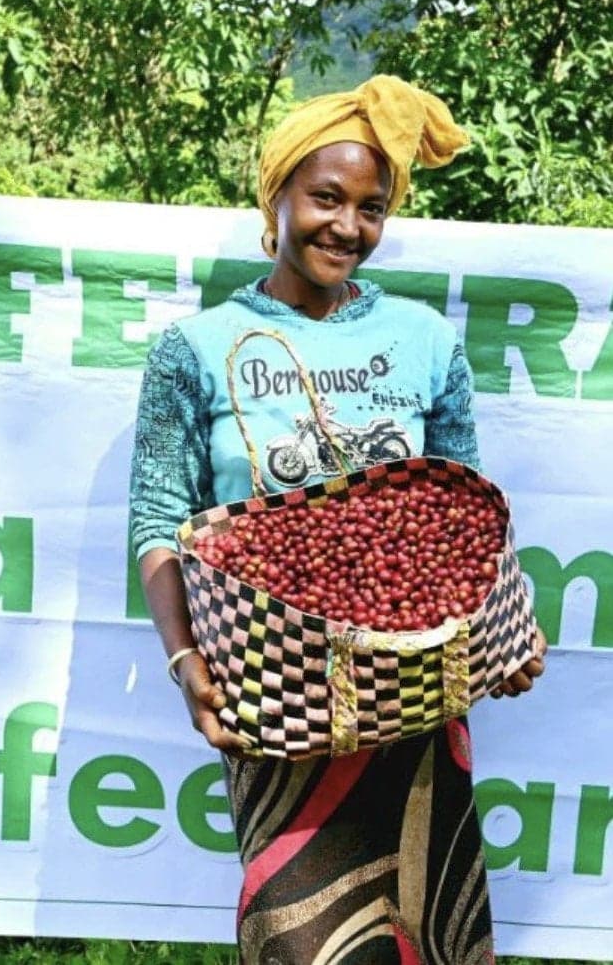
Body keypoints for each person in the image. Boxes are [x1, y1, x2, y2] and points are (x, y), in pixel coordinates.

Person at [129, 74, 547, 964]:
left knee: (426, 925)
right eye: (326, 198)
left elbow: (462, 513)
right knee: (302, 931)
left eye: (371, 207)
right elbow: (158, 522)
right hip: (279, 701)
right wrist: (184, 660)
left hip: (417, 692)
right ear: (276, 195)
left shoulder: (425, 340)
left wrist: (505, 628)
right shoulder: (193, 350)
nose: (348, 227)